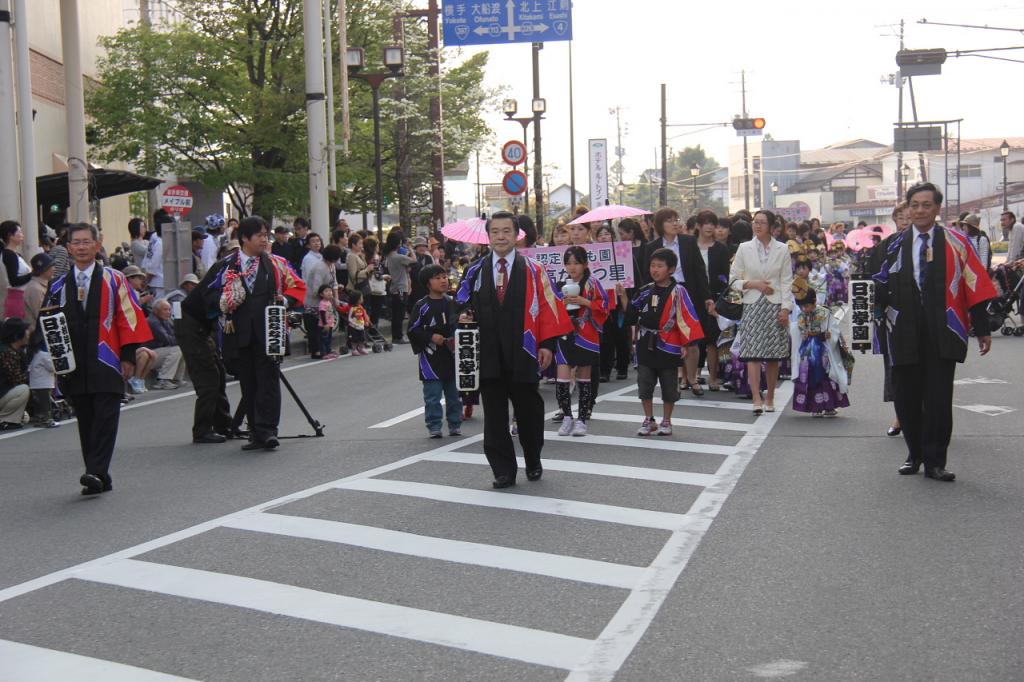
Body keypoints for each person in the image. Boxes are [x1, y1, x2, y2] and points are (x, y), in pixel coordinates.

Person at [873, 183, 997, 482]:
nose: (919, 210)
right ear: (908, 207)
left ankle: (935, 461)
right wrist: (871, 326)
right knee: (906, 397)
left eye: (926, 205)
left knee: (939, 398)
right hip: (902, 329)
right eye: (914, 205)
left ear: (938, 208)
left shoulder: (957, 243)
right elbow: (873, 286)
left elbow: (974, 285)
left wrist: (982, 328)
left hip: (943, 328)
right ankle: (914, 453)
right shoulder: (891, 245)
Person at [455, 211, 572, 488]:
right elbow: (459, 302)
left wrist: (547, 344)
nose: (501, 236)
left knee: (529, 410)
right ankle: (503, 470)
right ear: (488, 236)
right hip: (488, 353)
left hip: (525, 351)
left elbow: (549, 307)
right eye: (495, 231)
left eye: (507, 231)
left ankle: (533, 459)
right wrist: (462, 314)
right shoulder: (474, 271)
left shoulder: (534, 270)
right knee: (494, 416)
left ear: (517, 234)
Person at [44, 222, 153, 494]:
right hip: (74, 361)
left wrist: (128, 356)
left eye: (86, 241)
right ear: (68, 248)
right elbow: (47, 323)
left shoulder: (115, 279)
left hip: (107, 357)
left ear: (97, 245)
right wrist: (55, 360)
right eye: (75, 242)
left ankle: (94, 471)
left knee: (106, 416)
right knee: (86, 417)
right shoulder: (57, 285)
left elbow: (129, 318)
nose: (81, 247)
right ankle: (99, 475)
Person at [214, 216, 305, 451]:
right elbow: (210, 291)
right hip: (240, 330)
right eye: (260, 235)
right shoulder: (228, 265)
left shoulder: (276, 263)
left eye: (267, 235)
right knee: (248, 382)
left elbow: (298, 286)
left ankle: (268, 430)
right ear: (245, 238)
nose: (265, 240)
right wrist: (224, 300)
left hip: (270, 327)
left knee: (269, 380)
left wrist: (285, 299)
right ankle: (255, 431)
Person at [616, 248, 704, 436]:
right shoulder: (645, 290)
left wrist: (685, 344)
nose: (654, 270)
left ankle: (667, 420)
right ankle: (649, 419)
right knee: (644, 383)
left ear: (671, 269)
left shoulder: (679, 291)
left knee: (669, 384)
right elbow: (631, 314)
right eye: (652, 266)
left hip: (669, 343)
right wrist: (623, 295)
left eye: (660, 266)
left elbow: (687, 319)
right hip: (646, 342)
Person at [729, 209, 794, 415]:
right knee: (753, 355)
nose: (757, 226)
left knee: (774, 355)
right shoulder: (744, 248)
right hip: (752, 304)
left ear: (772, 226)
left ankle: (770, 397)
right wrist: (753, 283)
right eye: (755, 222)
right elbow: (733, 280)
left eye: (762, 223)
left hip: (775, 304)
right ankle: (756, 397)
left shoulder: (782, 249)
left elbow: (786, 281)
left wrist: (786, 308)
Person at [641, 208, 713, 393]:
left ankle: (692, 378)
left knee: (693, 337)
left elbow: (699, 271)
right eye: (669, 220)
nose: (674, 223)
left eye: (676, 219)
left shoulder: (688, 242)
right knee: (672, 336)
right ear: (660, 225)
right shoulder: (652, 246)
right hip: (664, 293)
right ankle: (679, 377)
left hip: (689, 293)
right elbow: (648, 276)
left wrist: (707, 297)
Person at [552, 246, 611, 437]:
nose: (572, 267)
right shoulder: (560, 284)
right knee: (562, 377)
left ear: (585, 264)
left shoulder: (593, 283)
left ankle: (582, 420)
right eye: (568, 263)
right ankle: (567, 417)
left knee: (584, 379)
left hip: (586, 334)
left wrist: (585, 302)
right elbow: (551, 307)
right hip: (565, 333)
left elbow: (605, 306)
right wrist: (562, 304)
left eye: (576, 263)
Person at [407, 264, 463, 438]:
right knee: (432, 395)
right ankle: (434, 425)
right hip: (431, 358)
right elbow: (413, 329)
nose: (443, 280)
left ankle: (455, 423)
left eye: (444, 276)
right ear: (428, 283)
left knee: (454, 394)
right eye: (437, 278)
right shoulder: (422, 305)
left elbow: (462, 324)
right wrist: (431, 337)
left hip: (452, 355)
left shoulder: (453, 303)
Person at [790, 280, 850, 417]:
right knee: (808, 375)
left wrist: (829, 335)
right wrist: (802, 333)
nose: (805, 309)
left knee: (826, 374)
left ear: (814, 301)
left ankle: (829, 406)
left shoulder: (824, 313)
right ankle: (815, 407)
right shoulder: (801, 316)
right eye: (802, 307)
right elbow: (798, 332)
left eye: (807, 306)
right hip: (807, 350)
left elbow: (833, 330)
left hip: (823, 349)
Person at [694, 210, 731, 392]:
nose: (709, 227)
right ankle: (690, 377)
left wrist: (721, 300)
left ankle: (713, 378)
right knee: (692, 338)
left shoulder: (721, 249)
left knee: (712, 340)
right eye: (706, 223)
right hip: (693, 297)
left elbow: (725, 276)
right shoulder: (689, 247)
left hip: (716, 298)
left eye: (712, 223)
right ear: (698, 226)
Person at [304, 244, 342, 359]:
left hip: (326, 301)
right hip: (314, 303)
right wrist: (329, 296)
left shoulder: (331, 266)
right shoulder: (320, 268)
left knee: (327, 328)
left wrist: (336, 298)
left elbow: (334, 283)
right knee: (317, 329)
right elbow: (316, 289)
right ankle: (316, 351)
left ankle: (326, 349)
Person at [145, 299, 186, 390]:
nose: (168, 312)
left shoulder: (164, 320)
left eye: (169, 309)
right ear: (156, 311)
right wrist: (184, 339)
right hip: (146, 356)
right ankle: (163, 380)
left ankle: (176, 379)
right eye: (165, 309)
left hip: (156, 352)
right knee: (177, 349)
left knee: (181, 348)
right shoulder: (153, 322)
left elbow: (174, 335)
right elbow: (169, 340)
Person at [383, 231, 415, 344]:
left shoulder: (390, 256)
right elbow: (414, 260)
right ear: (397, 243)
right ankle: (398, 336)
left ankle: (396, 336)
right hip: (401, 288)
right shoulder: (397, 256)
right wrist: (410, 248)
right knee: (400, 314)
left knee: (397, 313)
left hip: (395, 287)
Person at [0, 318, 31, 431]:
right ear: (17, 335)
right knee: (23, 389)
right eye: (26, 330)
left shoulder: (10, 350)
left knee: (25, 417)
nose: (28, 333)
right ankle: (5, 420)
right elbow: (17, 379)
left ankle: (9, 420)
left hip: (3, 394)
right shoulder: (7, 353)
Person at [1, 220, 32, 319]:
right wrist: (34, 274)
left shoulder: (14, 254)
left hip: (21, 297)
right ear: (11, 235)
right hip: (17, 298)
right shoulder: (9, 255)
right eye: (20, 232)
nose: (22, 235)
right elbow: (14, 281)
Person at [23, 253, 55, 335]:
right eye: (51, 266)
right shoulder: (35, 288)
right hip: (38, 334)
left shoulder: (46, 284)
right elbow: (42, 314)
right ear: (43, 270)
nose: (54, 269)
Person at [141, 209, 169, 298]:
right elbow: (153, 265)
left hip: (156, 281)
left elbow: (148, 258)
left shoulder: (157, 239)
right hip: (157, 282)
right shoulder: (161, 242)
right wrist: (146, 281)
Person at [316, 284, 340, 360]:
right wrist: (325, 324)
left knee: (329, 339)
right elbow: (322, 314)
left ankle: (328, 351)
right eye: (326, 291)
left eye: (330, 291)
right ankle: (324, 353)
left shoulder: (329, 302)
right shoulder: (322, 303)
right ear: (321, 294)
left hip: (330, 324)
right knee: (323, 340)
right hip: (324, 326)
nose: (329, 292)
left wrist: (334, 299)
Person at [346, 289, 370, 355]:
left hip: (360, 325)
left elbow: (364, 315)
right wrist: (354, 324)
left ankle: (361, 348)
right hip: (353, 326)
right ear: (357, 300)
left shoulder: (361, 307)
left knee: (362, 338)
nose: (362, 299)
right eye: (361, 298)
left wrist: (366, 321)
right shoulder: (351, 308)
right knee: (354, 339)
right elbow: (347, 315)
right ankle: (354, 349)